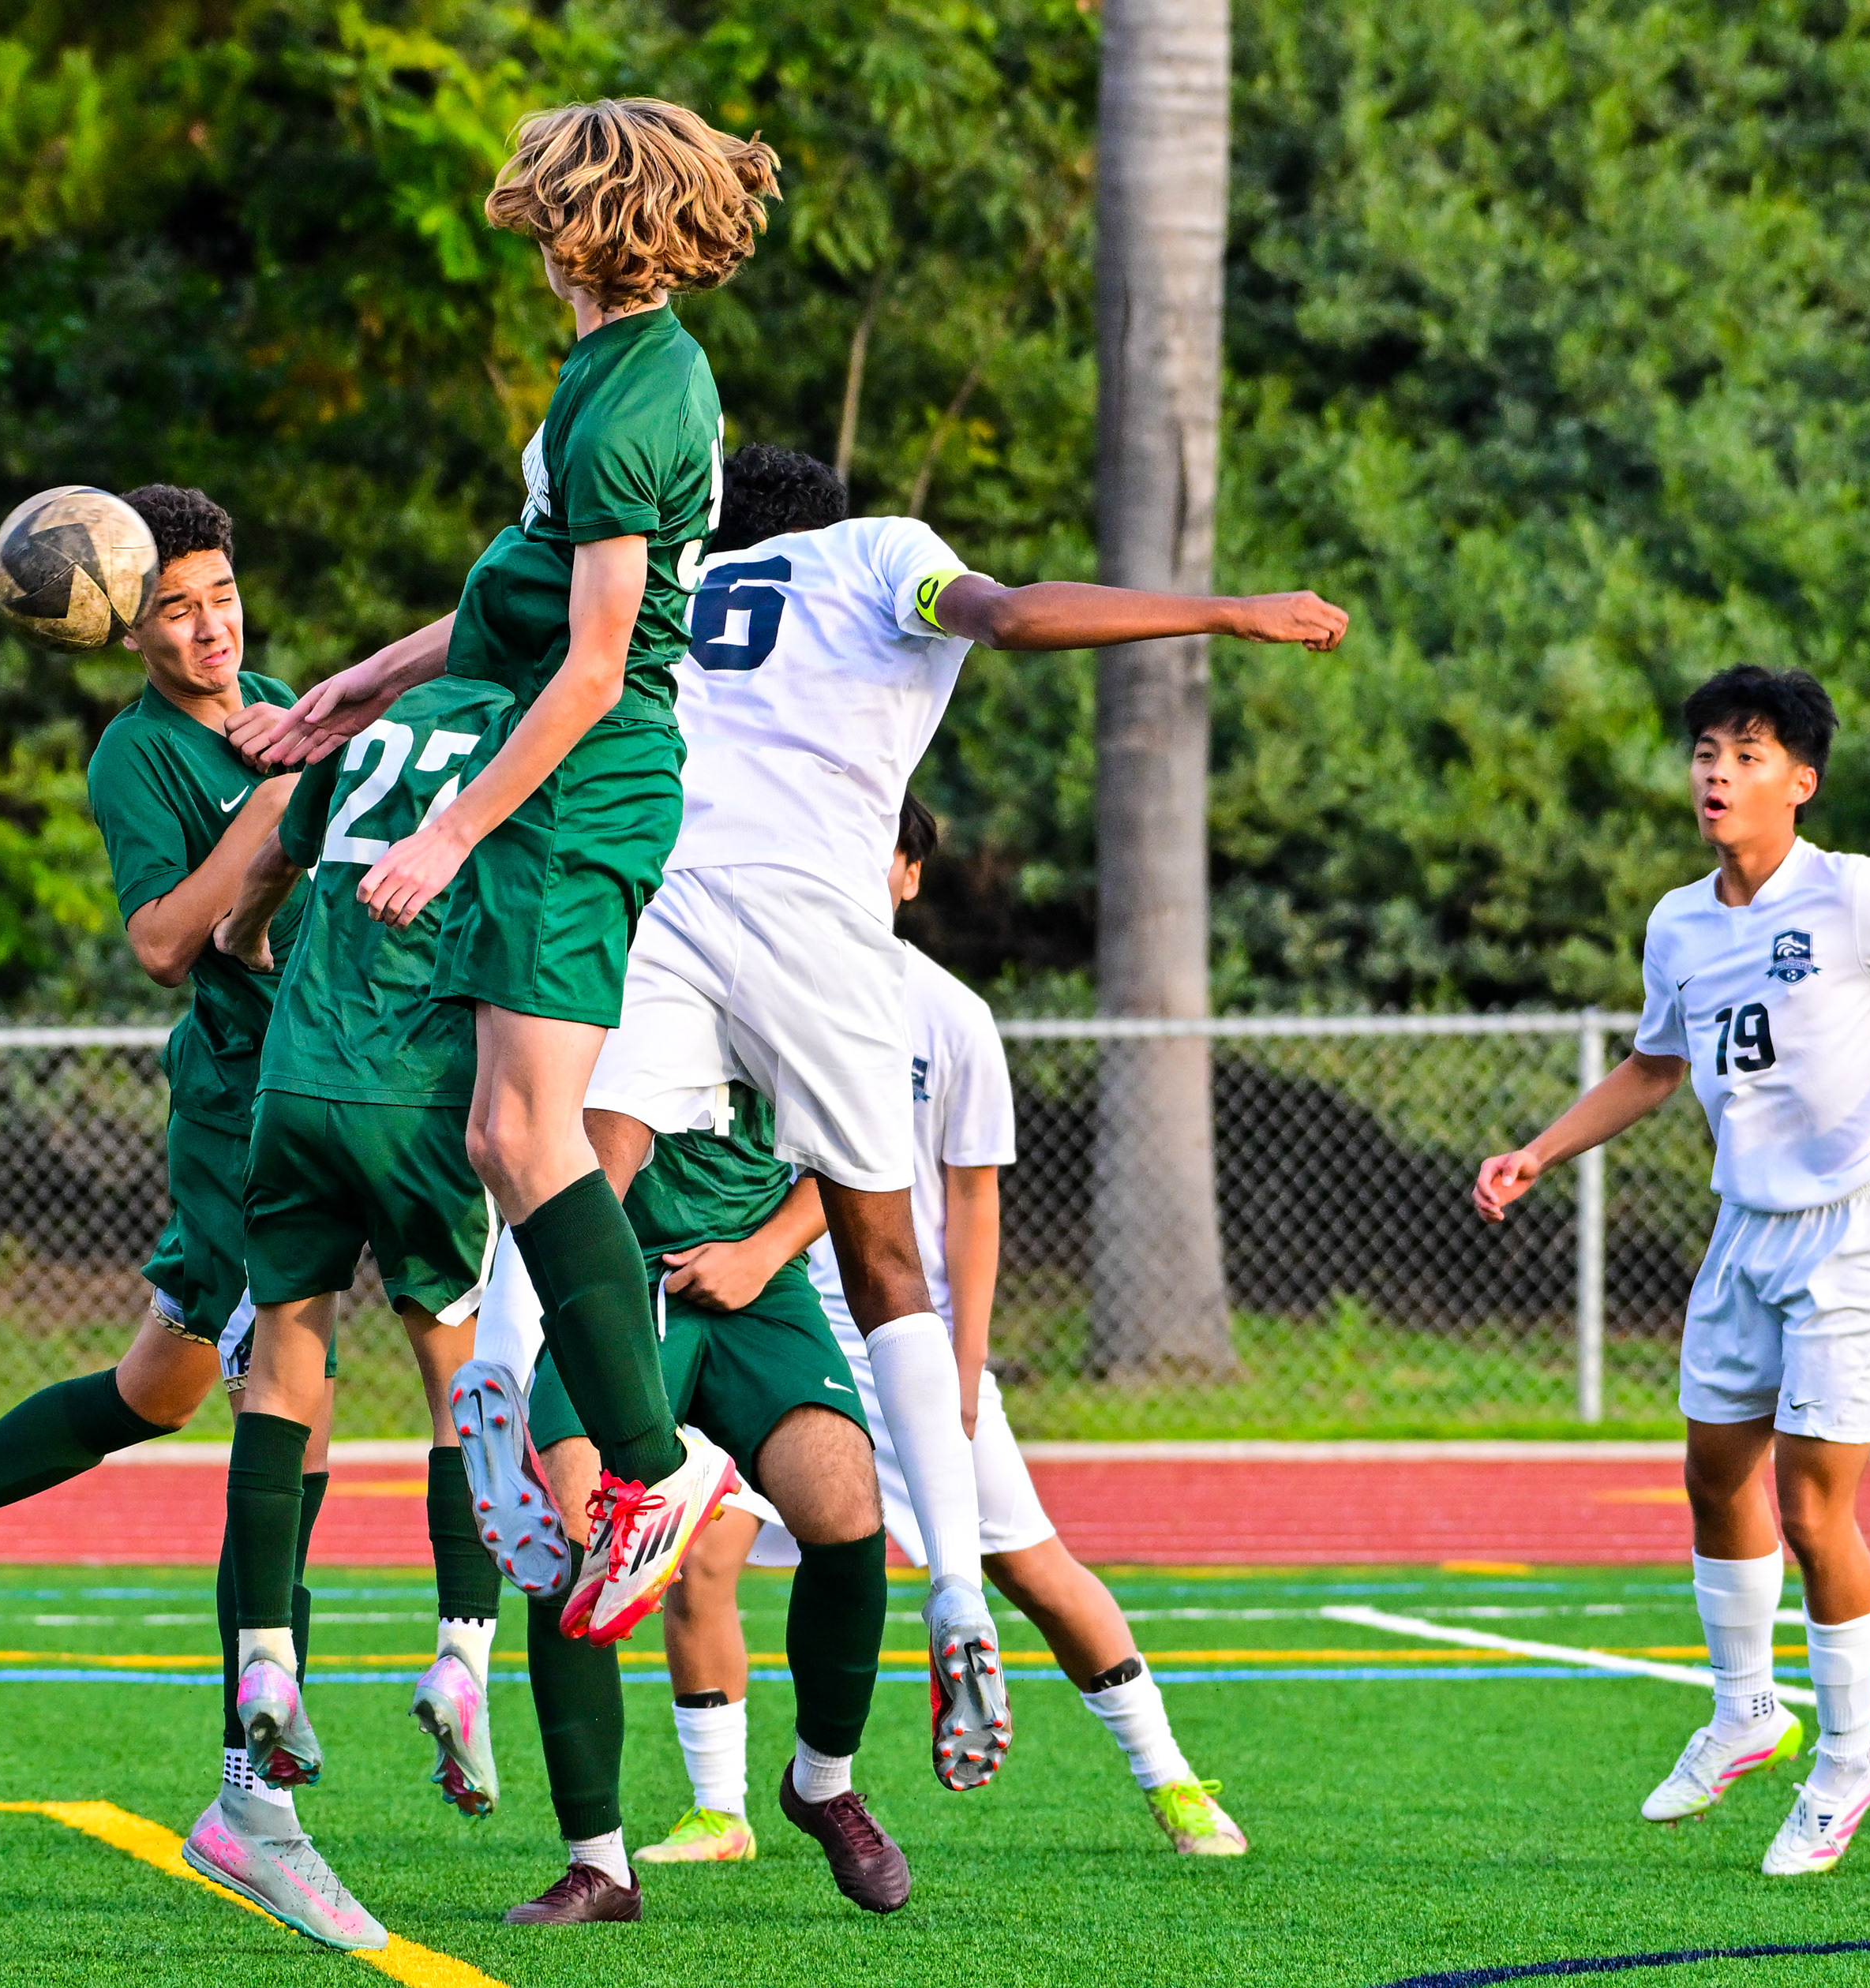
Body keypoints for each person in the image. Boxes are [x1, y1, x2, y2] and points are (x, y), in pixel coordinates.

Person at [455, 443, 1349, 1796]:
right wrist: (1229, 611)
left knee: (566, 1158)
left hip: (667, 903)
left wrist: (357, 686)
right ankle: (959, 1597)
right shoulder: (877, 549)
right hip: (810, 916)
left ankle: (505, 1377)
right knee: (885, 1262)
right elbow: (1017, 614)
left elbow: (505, 632)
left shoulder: (674, 577)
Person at [234, 99, 784, 1645]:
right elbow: (523, 600)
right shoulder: (610, 369)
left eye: (545, 207)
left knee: (528, 1130)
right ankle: (616, 1443)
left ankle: (655, 1466)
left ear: (590, 223)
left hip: (577, 788)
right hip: (550, 773)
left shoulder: (635, 398)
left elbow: (600, 664)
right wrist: (371, 676)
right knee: (502, 1130)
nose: (530, 231)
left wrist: (452, 825)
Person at [0, 485, 332, 1842]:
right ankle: (255, 1796)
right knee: (296, 1408)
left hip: (316, 1085)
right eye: (177, 608)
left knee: (157, 1389)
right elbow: (161, 941)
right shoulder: (134, 756)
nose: (209, 627)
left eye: (222, 596)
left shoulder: (279, 702)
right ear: (124, 627)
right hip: (240, 1107)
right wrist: (273, 811)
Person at [1472, 665, 1870, 1878]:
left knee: (1815, 1509)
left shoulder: (1856, 892)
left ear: (1801, 780)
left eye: (1748, 752)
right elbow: (1655, 1065)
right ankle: (1745, 1712)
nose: (1717, 772)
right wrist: (1540, 1150)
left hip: (1853, 1231)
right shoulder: (1679, 921)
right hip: (1746, 1230)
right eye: (1706, 751)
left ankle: (1847, 1755)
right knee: (1714, 1471)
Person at [638, 797, 1246, 1865]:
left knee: (1032, 1567)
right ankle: (719, 1808)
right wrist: (754, 1262)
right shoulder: (745, 971)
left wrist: (965, 1364)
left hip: (909, 1344)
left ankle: (1173, 1778)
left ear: (911, 873)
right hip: (779, 1330)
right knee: (703, 1557)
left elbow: (970, 1200)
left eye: (879, 850)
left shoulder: (949, 1014)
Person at [179, 672, 521, 1949]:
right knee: (458, 1384)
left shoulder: (379, 725)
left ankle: (266, 1652)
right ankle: (462, 1655)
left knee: (283, 1375)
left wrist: (243, 941)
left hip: (298, 1079)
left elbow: (268, 866)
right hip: (420, 1092)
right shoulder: (536, 733)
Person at [489, 1085, 899, 1925]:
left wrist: (762, 1249)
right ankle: (598, 1864)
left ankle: (823, 1782)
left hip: (763, 1278)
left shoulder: (815, 999)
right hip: (610, 1274)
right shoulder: (614, 992)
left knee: (844, 1501)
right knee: (568, 1535)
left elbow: (855, 1142)